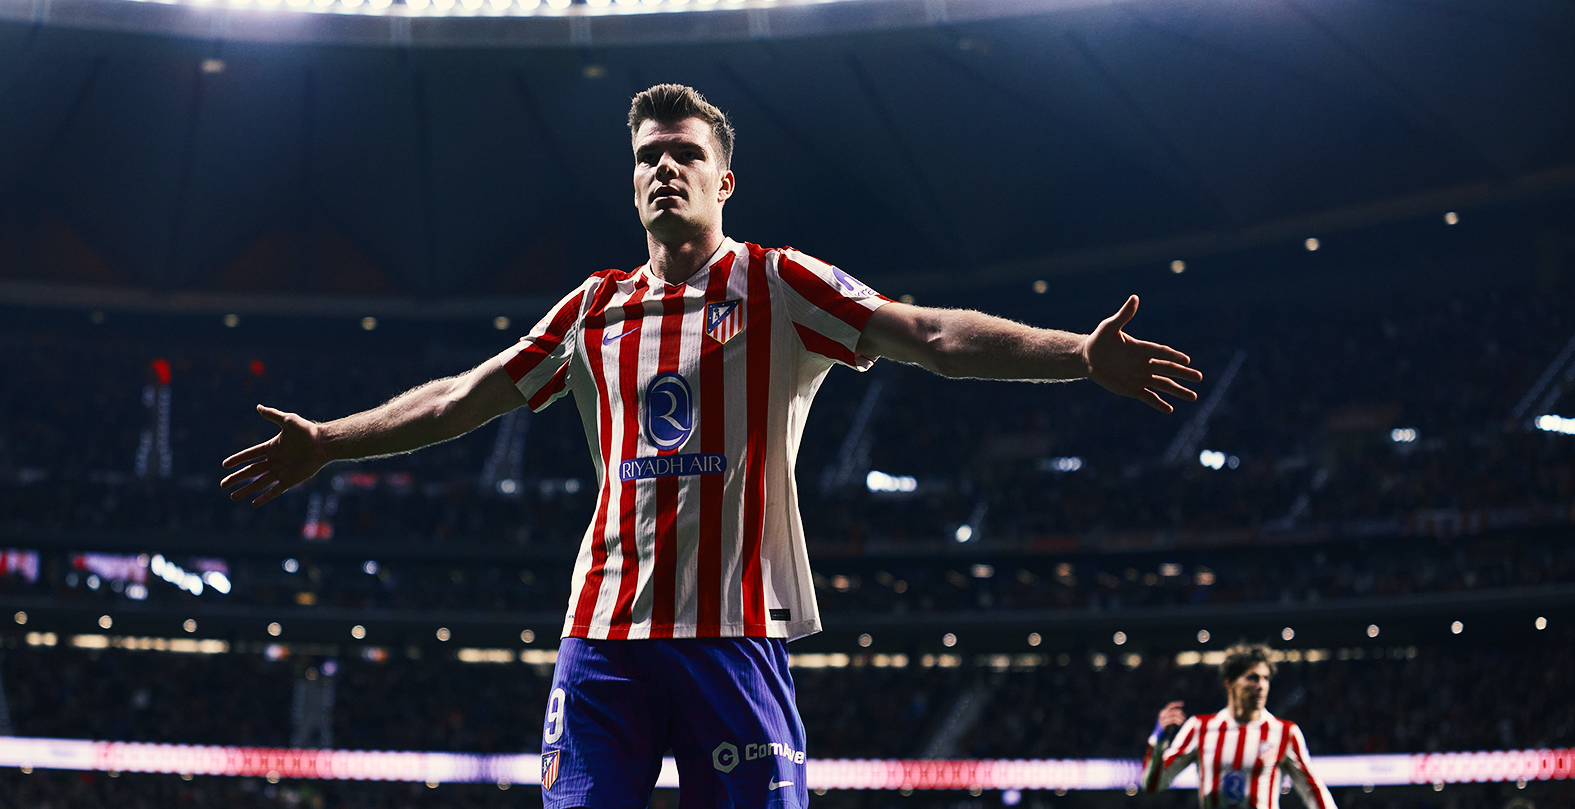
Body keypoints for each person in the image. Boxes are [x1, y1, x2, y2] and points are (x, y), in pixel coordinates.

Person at [223, 83, 1203, 809]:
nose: (664, 168)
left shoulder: (779, 284)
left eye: (684, 154)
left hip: (732, 635)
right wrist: (331, 441)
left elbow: (932, 335)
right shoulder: (593, 309)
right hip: (602, 641)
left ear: (723, 180)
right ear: (632, 184)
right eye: (648, 156)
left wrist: (1079, 356)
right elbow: (462, 396)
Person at [1142, 645, 1337, 808]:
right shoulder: (1199, 727)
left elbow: (1313, 790)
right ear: (1229, 683)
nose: (1261, 685)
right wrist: (1159, 738)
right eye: (1253, 678)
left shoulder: (1285, 732)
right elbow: (1152, 784)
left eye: (1266, 678)